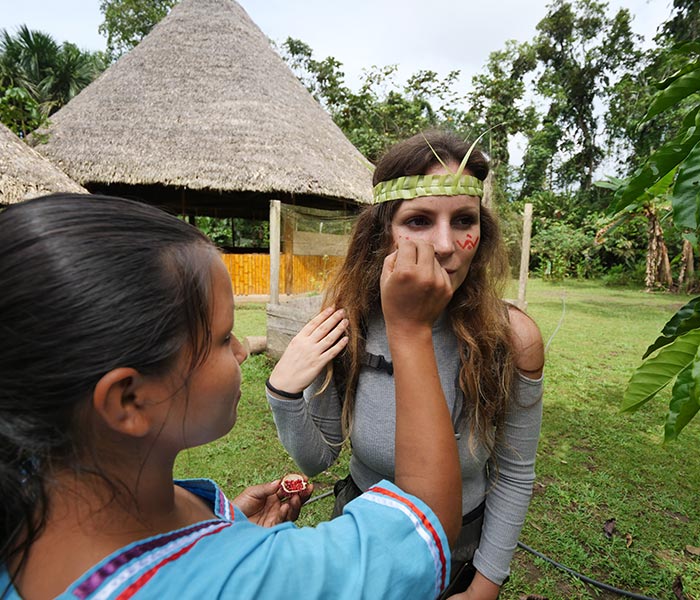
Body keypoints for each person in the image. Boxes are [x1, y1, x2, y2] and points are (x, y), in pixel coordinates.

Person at [0, 193, 464, 599]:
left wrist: (225, 531)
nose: (243, 351)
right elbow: (431, 521)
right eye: (224, 339)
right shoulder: (258, 583)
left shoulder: (27, 501)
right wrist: (410, 328)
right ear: (128, 400)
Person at [267, 129, 545, 600]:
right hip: (362, 532)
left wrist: (486, 584)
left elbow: (515, 473)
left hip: (460, 548)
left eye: (463, 220)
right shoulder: (348, 320)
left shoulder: (513, 337)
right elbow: (318, 458)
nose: (444, 244)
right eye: (418, 221)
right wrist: (285, 392)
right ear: (382, 231)